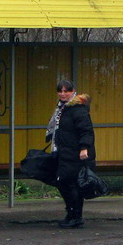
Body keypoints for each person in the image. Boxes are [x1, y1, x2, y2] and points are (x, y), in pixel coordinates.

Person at [46, 79, 95, 229]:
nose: (63, 94)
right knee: (63, 182)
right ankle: (71, 214)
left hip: (76, 154)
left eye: (66, 91)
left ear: (73, 91)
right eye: (60, 91)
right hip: (64, 151)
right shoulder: (62, 108)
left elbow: (86, 130)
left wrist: (84, 148)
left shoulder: (77, 108)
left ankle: (76, 216)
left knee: (72, 184)